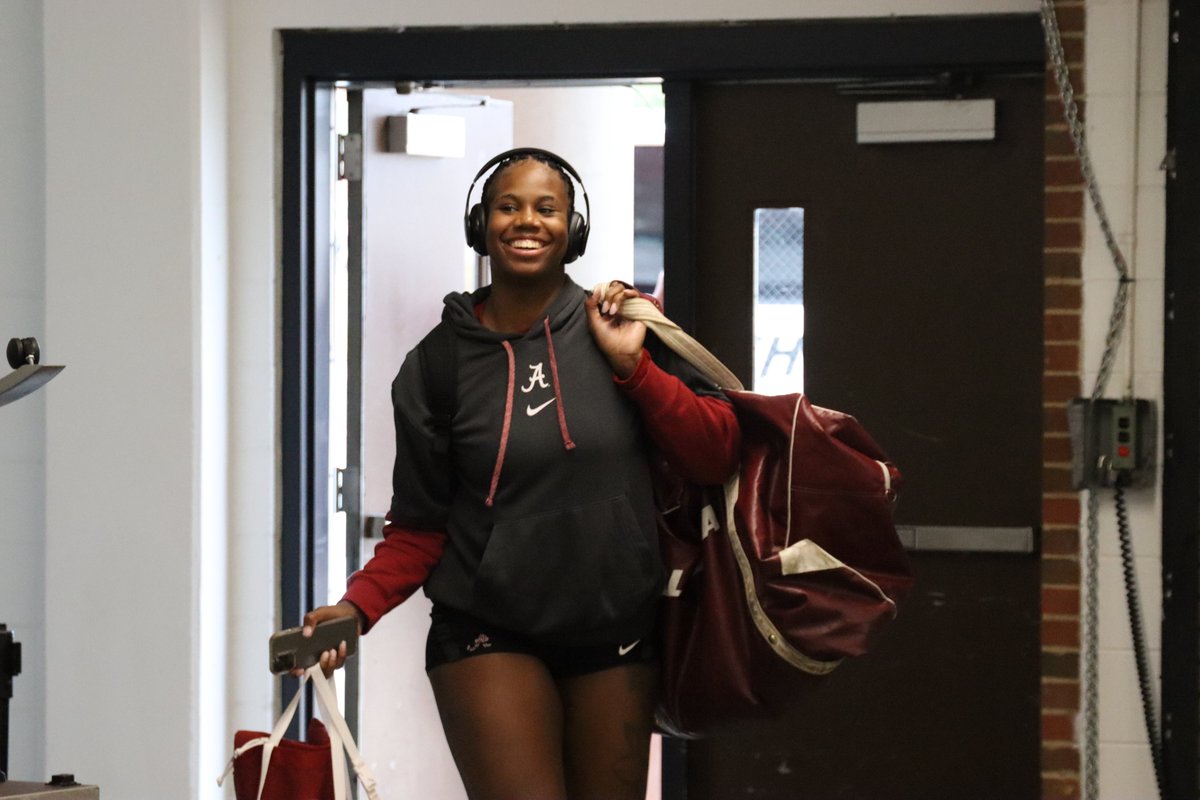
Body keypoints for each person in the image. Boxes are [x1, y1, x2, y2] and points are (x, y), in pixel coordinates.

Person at [297, 148, 740, 800]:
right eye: (508, 206)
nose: (526, 221)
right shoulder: (435, 369)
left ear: (573, 228)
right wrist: (353, 610)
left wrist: (634, 369)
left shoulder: (623, 326)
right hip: (487, 628)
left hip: (616, 627)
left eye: (546, 207)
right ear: (482, 223)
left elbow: (715, 453)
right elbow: (419, 530)